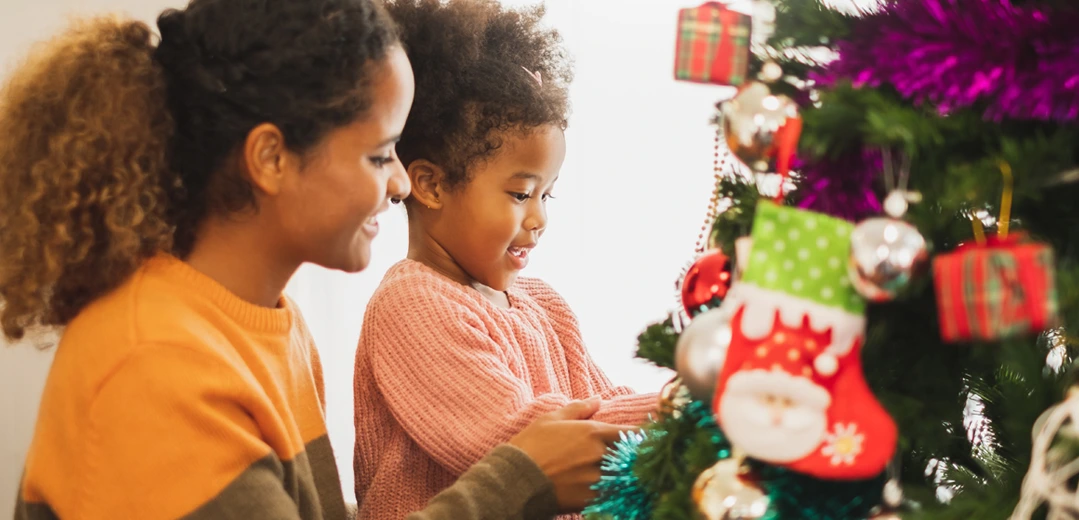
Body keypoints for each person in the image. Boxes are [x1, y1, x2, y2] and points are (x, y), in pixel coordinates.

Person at [1, 1, 627, 518]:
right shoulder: (158, 367)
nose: (402, 186)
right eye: (380, 154)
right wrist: (520, 480)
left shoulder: (275, 327)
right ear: (271, 159)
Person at [353, 1, 657, 518]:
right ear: (430, 184)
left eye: (548, 196)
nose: (539, 219)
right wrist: (690, 407)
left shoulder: (545, 306)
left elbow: (603, 397)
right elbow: (525, 441)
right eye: (520, 194)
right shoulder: (412, 305)